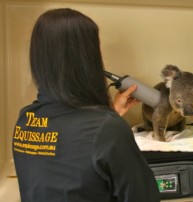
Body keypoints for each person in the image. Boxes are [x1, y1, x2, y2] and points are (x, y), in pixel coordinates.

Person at [12, 8, 160, 202]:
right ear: (89, 58)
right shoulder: (106, 128)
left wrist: (108, 116)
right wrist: (108, 122)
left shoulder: (25, 120)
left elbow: (69, 153)